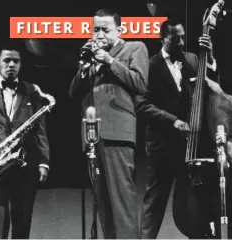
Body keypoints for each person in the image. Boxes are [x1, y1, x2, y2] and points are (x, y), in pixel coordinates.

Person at [69, 9, 149, 238]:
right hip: (92, 135)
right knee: (102, 203)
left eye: (106, 29)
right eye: (96, 29)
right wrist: (84, 70)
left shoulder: (135, 48)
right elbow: (73, 93)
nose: (99, 34)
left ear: (119, 30)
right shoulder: (90, 56)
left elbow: (140, 84)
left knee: (121, 202)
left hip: (118, 133)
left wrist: (110, 60)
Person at [138, 18, 218, 239]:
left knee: (194, 203)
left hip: (191, 147)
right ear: (163, 38)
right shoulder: (150, 65)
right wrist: (173, 121)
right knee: (155, 202)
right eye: (175, 38)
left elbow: (212, 85)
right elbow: (142, 105)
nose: (182, 42)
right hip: (162, 147)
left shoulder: (192, 59)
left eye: (183, 36)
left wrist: (209, 57)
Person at [0, 41, 51, 239]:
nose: (11, 65)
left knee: (22, 224)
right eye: (7, 60)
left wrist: (43, 161)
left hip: (24, 164)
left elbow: (40, 128)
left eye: (16, 61)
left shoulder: (31, 90)